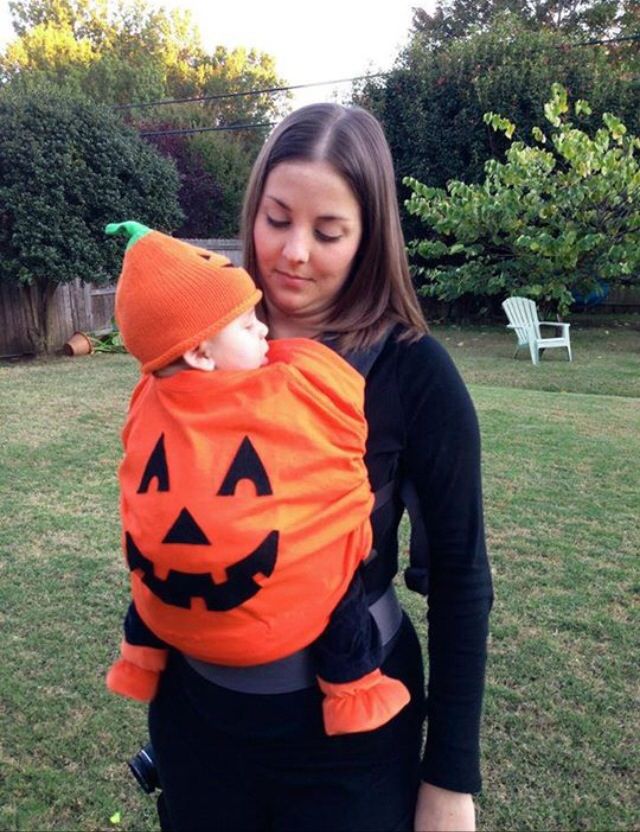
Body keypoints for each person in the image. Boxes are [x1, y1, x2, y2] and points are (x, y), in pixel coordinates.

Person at [145, 104, 493, 832]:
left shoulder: (412, 373)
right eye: (276, 219)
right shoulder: (197, 346)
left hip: (349, 736)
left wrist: (450, 779)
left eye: (328, 232)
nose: (294, 252)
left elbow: (462, 576)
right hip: (196, 722)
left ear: (368, 237)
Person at [105, 219, 410, 737]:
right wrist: (293, 356)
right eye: (248, 326)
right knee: (335, 580)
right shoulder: (289, 386)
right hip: (256, 631)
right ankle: (353, 689)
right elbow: (337, 389)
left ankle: (140, 657)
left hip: (174, 608)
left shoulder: (146, 397)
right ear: (200, 354)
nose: (266, 331)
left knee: (151, 566)